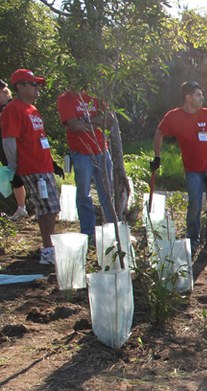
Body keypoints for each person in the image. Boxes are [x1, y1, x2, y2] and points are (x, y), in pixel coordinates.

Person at [153, 80, 207, 250]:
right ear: (188, 97)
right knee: (194, 203)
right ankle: (193, 239)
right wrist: (157, 157)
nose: (202, 98)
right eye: (198, 95)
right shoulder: (174, 116)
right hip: (193, 169)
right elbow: (159, 133)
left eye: (201, 95)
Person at [1, 69, 62, 265]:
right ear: (19, 87)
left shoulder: (32, 109)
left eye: (38, 84)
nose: (38, 88)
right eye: (33, 84)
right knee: (49, 208)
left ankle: (47, 249)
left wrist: (52, 162)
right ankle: (48, 251)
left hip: (43, 166)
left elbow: (39, 138)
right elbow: (9, 140)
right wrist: (15, 167)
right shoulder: (13, 109)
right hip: (32, 167)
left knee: (48, 209)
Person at [57, 88, 116, 237]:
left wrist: (85, 122)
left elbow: (109, 119)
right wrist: (97, 121)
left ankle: (112, 230)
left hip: (102, 151)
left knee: (107, 193)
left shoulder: (95, 95)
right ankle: (88, 233)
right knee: (84, 194)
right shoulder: (65, 99)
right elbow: (74, 126)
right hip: (81, 153)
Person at [0, 79, 28, 222]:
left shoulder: (12, 107)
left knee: (19, 177)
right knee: (13, 179)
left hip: (16, 148)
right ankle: (20, 208)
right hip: (4, 149)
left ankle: (23, 207)